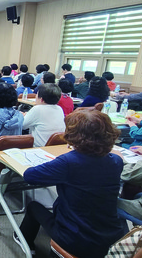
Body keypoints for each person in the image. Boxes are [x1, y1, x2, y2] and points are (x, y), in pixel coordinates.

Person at [17, 109, 125, 257]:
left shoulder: (69, 162)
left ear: (74, 135)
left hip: (75, 238)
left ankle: (25, 241)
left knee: (33, 207)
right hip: (111, 237)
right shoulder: (116, 161)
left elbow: (30, 176)